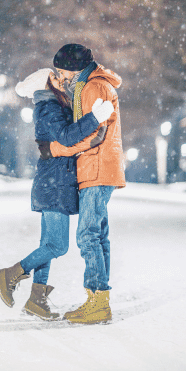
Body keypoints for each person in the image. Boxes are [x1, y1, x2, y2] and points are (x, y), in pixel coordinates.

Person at [0, 67, 114, 321]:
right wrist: (94, 118)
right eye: (56, 78)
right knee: (57, 245)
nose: (63, 81)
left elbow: (62, 142)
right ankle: (10, 274)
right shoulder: (49, 108)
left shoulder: (53, 107)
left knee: (48, 244)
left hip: (53, 182)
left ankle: (37, 299)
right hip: (54, 183)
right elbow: (68, 137)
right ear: (48, 85)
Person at [45, 43, 126, 324]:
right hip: (99, 166)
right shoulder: (91, 86)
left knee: (88, 235)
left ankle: (97, 301)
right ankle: (98, 298)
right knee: (98, 236)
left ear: (74, 67)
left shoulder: (93, 88)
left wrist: (58, 149)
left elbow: (96, 134)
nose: (62, 77)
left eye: (62, 71)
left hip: (97, 166)